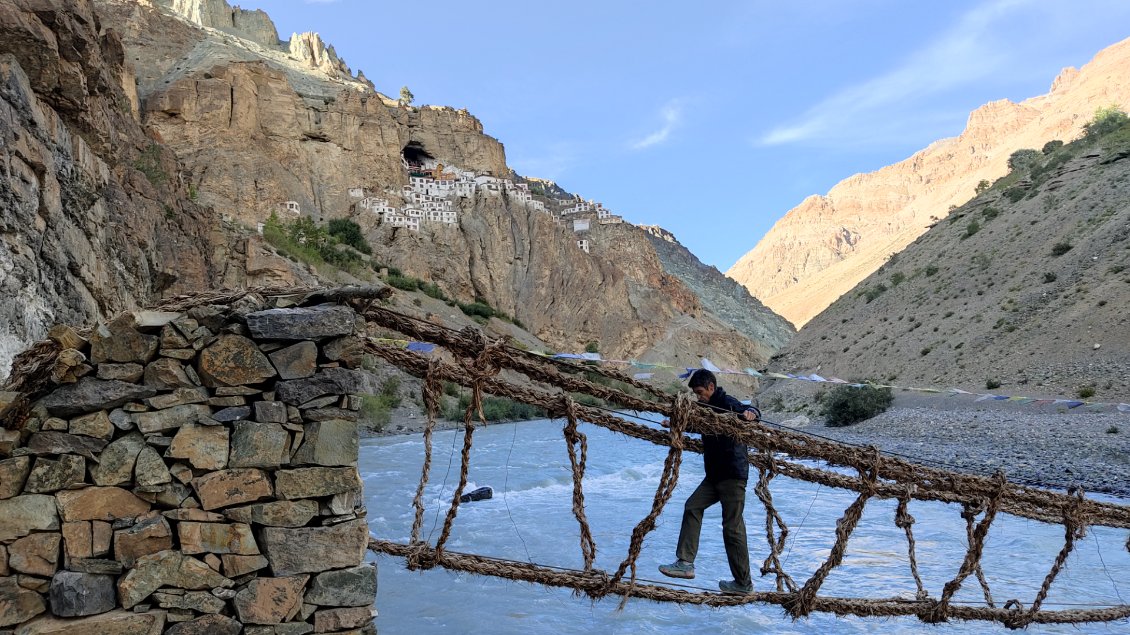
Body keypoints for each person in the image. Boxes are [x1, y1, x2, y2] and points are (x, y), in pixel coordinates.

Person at [658, 369, 760, 595]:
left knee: (732, 529)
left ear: (711, 387)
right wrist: (676, 424)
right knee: (692, 506)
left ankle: (743, 584)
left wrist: (752, 412)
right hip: (713, 476)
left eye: (700, 392)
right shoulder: (704, 407)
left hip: (733, 475)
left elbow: (751, 411)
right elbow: (701, 426)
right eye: (695, 393)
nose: (698, 397)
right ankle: (685, 564)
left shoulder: (727, 402)